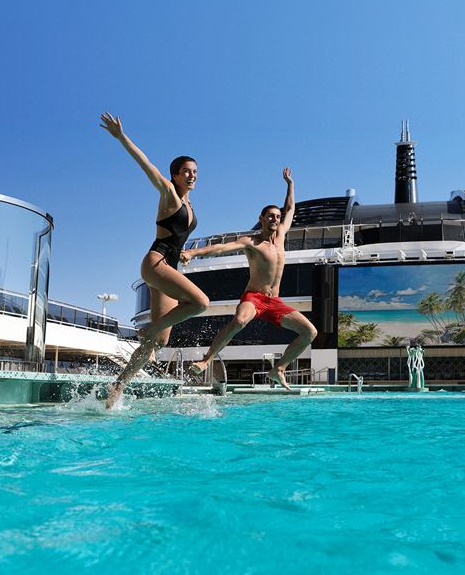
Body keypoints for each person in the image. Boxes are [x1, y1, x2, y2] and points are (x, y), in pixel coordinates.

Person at [99, 112, 210, 408]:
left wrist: (185, 252)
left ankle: (117, 387)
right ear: (174, 175)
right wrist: (122, 137)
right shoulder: (170, 194)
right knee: (200, 303)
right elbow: (146, 165)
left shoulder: (189, 203)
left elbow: (178, 235)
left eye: (195, 171)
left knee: (158, 342)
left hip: (168, 267)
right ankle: (146, 328)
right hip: (156, 263)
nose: (192, 175)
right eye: (186, 171)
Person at [181, 168, 317, 390]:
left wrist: (290, 184)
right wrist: (192, 253)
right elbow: (222, 248)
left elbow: (291, 207)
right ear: (261, 219)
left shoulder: (281, 236)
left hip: (274, 302)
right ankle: (206, 360)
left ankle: (279, 369)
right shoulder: (251, 242)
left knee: (310, 332)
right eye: (270, 216)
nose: (275, 219)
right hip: (254, 297)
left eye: (277, 216)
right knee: (240, 321)